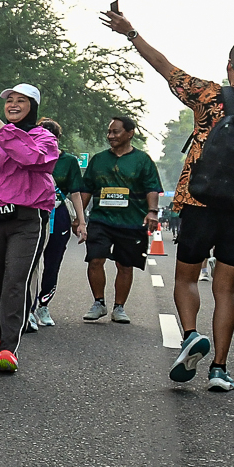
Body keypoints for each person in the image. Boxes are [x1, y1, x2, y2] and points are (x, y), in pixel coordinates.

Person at [100, 8, 234, 391]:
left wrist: (131, 32)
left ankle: (190, 335)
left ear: (229, 65)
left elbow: (164, 66)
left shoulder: (208, 94)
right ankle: (219, 369)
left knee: (187, 278)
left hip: (198, 200)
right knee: (225, 289)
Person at [0, 84, 60, 371]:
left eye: (21, 101)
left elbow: (33, 158)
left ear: (33, 106)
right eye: (9, 100)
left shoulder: (44, 137)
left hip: (27, 218)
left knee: (15, 281)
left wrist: (1, 128)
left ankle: (8, 348)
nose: (13, 105)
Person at [71, 115, 162, 324]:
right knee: (95, 259)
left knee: (125, 264)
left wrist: (152, 211)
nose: (110, 136)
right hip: (101, 219)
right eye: (109, 132)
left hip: (131, 222)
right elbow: (86, 189)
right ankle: (99, 303)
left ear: (130, 133)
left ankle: (119, 307)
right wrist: (79, 217)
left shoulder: (143, 160)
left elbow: (152, 188)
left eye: (116, 132)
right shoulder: (98, 160)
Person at [32, 118, 80, 327]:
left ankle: (44, 305)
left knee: (53, 263)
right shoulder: (28, 155)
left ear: (58, 139)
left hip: (58, 215)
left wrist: (81, 221)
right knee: (30, 263)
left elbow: (76, 191)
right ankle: (28, 307)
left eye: (51, 136)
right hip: (33, 213)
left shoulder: (68, 161)